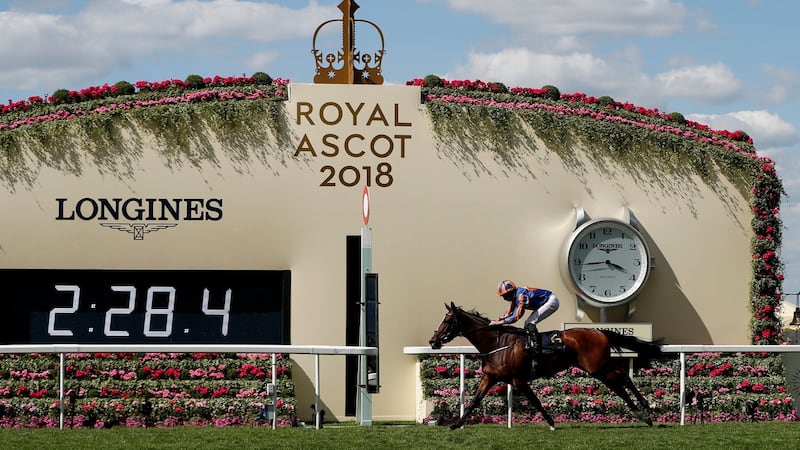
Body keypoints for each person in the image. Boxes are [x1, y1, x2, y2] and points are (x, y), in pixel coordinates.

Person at [488, 279, 560, 353]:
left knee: (530, 322)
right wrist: (497, 320)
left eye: (505, 296)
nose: (504, 299)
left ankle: (537, 347)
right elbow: (508, 313)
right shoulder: (516, 295)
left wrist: (499, 323)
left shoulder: (521, 296)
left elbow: (516, 316)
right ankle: (532, 344)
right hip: (546, 302)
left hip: (551, 301)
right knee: (527, 324)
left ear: (510, 292)